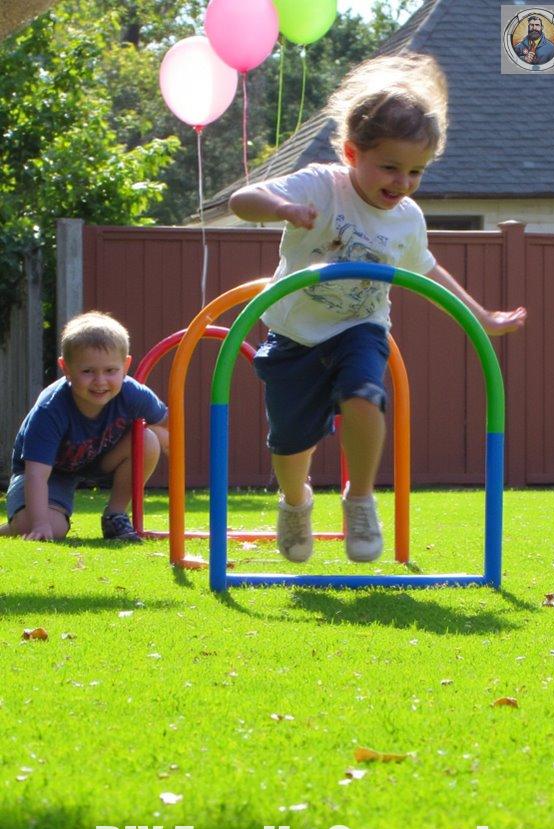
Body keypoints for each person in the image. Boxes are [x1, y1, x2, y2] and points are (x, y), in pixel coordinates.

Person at [229, 53, 526, 564]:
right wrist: (283, 209)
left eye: (416, 171)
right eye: (390, 167)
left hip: (360, 329)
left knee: (366, 397)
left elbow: (428, 270)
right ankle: (295, 502)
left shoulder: (407, 218)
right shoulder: (323, 185)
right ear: (351, 153)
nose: (403, 182)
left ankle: (360, 499)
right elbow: (241, 199)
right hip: (295, 332)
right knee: (291, 442)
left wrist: (481, 316)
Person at [0, 311, 169, 543]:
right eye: (88, 371)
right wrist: (39, 524)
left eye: (110, 371)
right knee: (49, 528)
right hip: (50, 471)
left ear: (126, 365)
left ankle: (115, 515)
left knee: (150, 438)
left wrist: (175, 456)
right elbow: (36, 475)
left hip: (100, 459)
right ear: (66, 367)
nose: (100, 381)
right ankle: (12, 527)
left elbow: (166, 426)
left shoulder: (133, 394)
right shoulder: (50, 410)